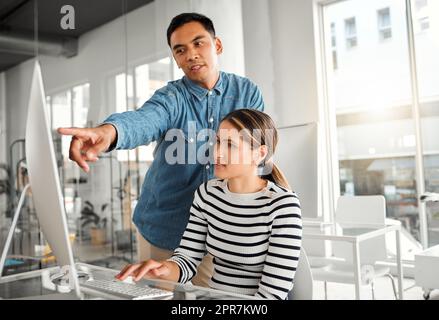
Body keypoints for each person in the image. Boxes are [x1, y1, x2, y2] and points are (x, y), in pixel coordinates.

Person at [57, 13, 264, 287]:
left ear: (217, 45)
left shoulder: (247, 93)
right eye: (180, 50)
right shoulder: (171, 97)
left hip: (219, 233)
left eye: (199, 43)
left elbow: (254, 155)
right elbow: (146, 120)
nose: (191, 54)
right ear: (176, 59)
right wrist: (108, 132)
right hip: (164, 229)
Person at [116, 109, 302, 300]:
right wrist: (163, 269)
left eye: (230, 145)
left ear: (259, 154)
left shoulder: (283, 206)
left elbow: (271, 297)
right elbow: (187, 260)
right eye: (219, 141)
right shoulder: (207, 194)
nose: (217, 152)